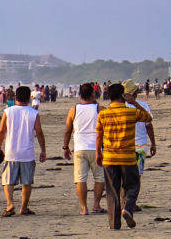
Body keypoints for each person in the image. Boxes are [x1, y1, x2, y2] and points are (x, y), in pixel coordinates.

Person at [96, 83, 153, 230]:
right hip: (127, 157)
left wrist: (98, 153)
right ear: (122, 95)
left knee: (112, 190)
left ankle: (114, 224)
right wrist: (133, 103)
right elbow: (148, 118)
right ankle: (127, 207)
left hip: (109, 156)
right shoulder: (130, 112)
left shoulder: (103, 114)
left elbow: (99, 136)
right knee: (132, 185)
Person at [0, 86, 46, 217]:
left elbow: (1, 131)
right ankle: (23, 207)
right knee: (27, 182)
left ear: (15, 97)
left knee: (8, 180)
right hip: (27, 152)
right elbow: (39, 132)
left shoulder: (8, 111)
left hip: (11, 151)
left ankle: (9, 204)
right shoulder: (33, 113)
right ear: (29, 97)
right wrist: (43, 150)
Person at [62, 82, 105, 216]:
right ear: (93, 93)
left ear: (80, 95)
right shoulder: (100, 109)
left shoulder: (73, 110)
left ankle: (84, 208)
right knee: (99, 177)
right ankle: (96, 205)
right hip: (96, 147)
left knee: (81, 179)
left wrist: (65, 147)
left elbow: (68, 131)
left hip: (79, 148)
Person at [123, 81, 156, 203]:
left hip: (124, 147)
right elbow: (149, 124)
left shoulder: (120, 107)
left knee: (124, 177)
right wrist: (153, 143)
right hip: (140, 146)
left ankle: (124, 202)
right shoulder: (143, 106)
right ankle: (131, 203)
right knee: (136, 177)